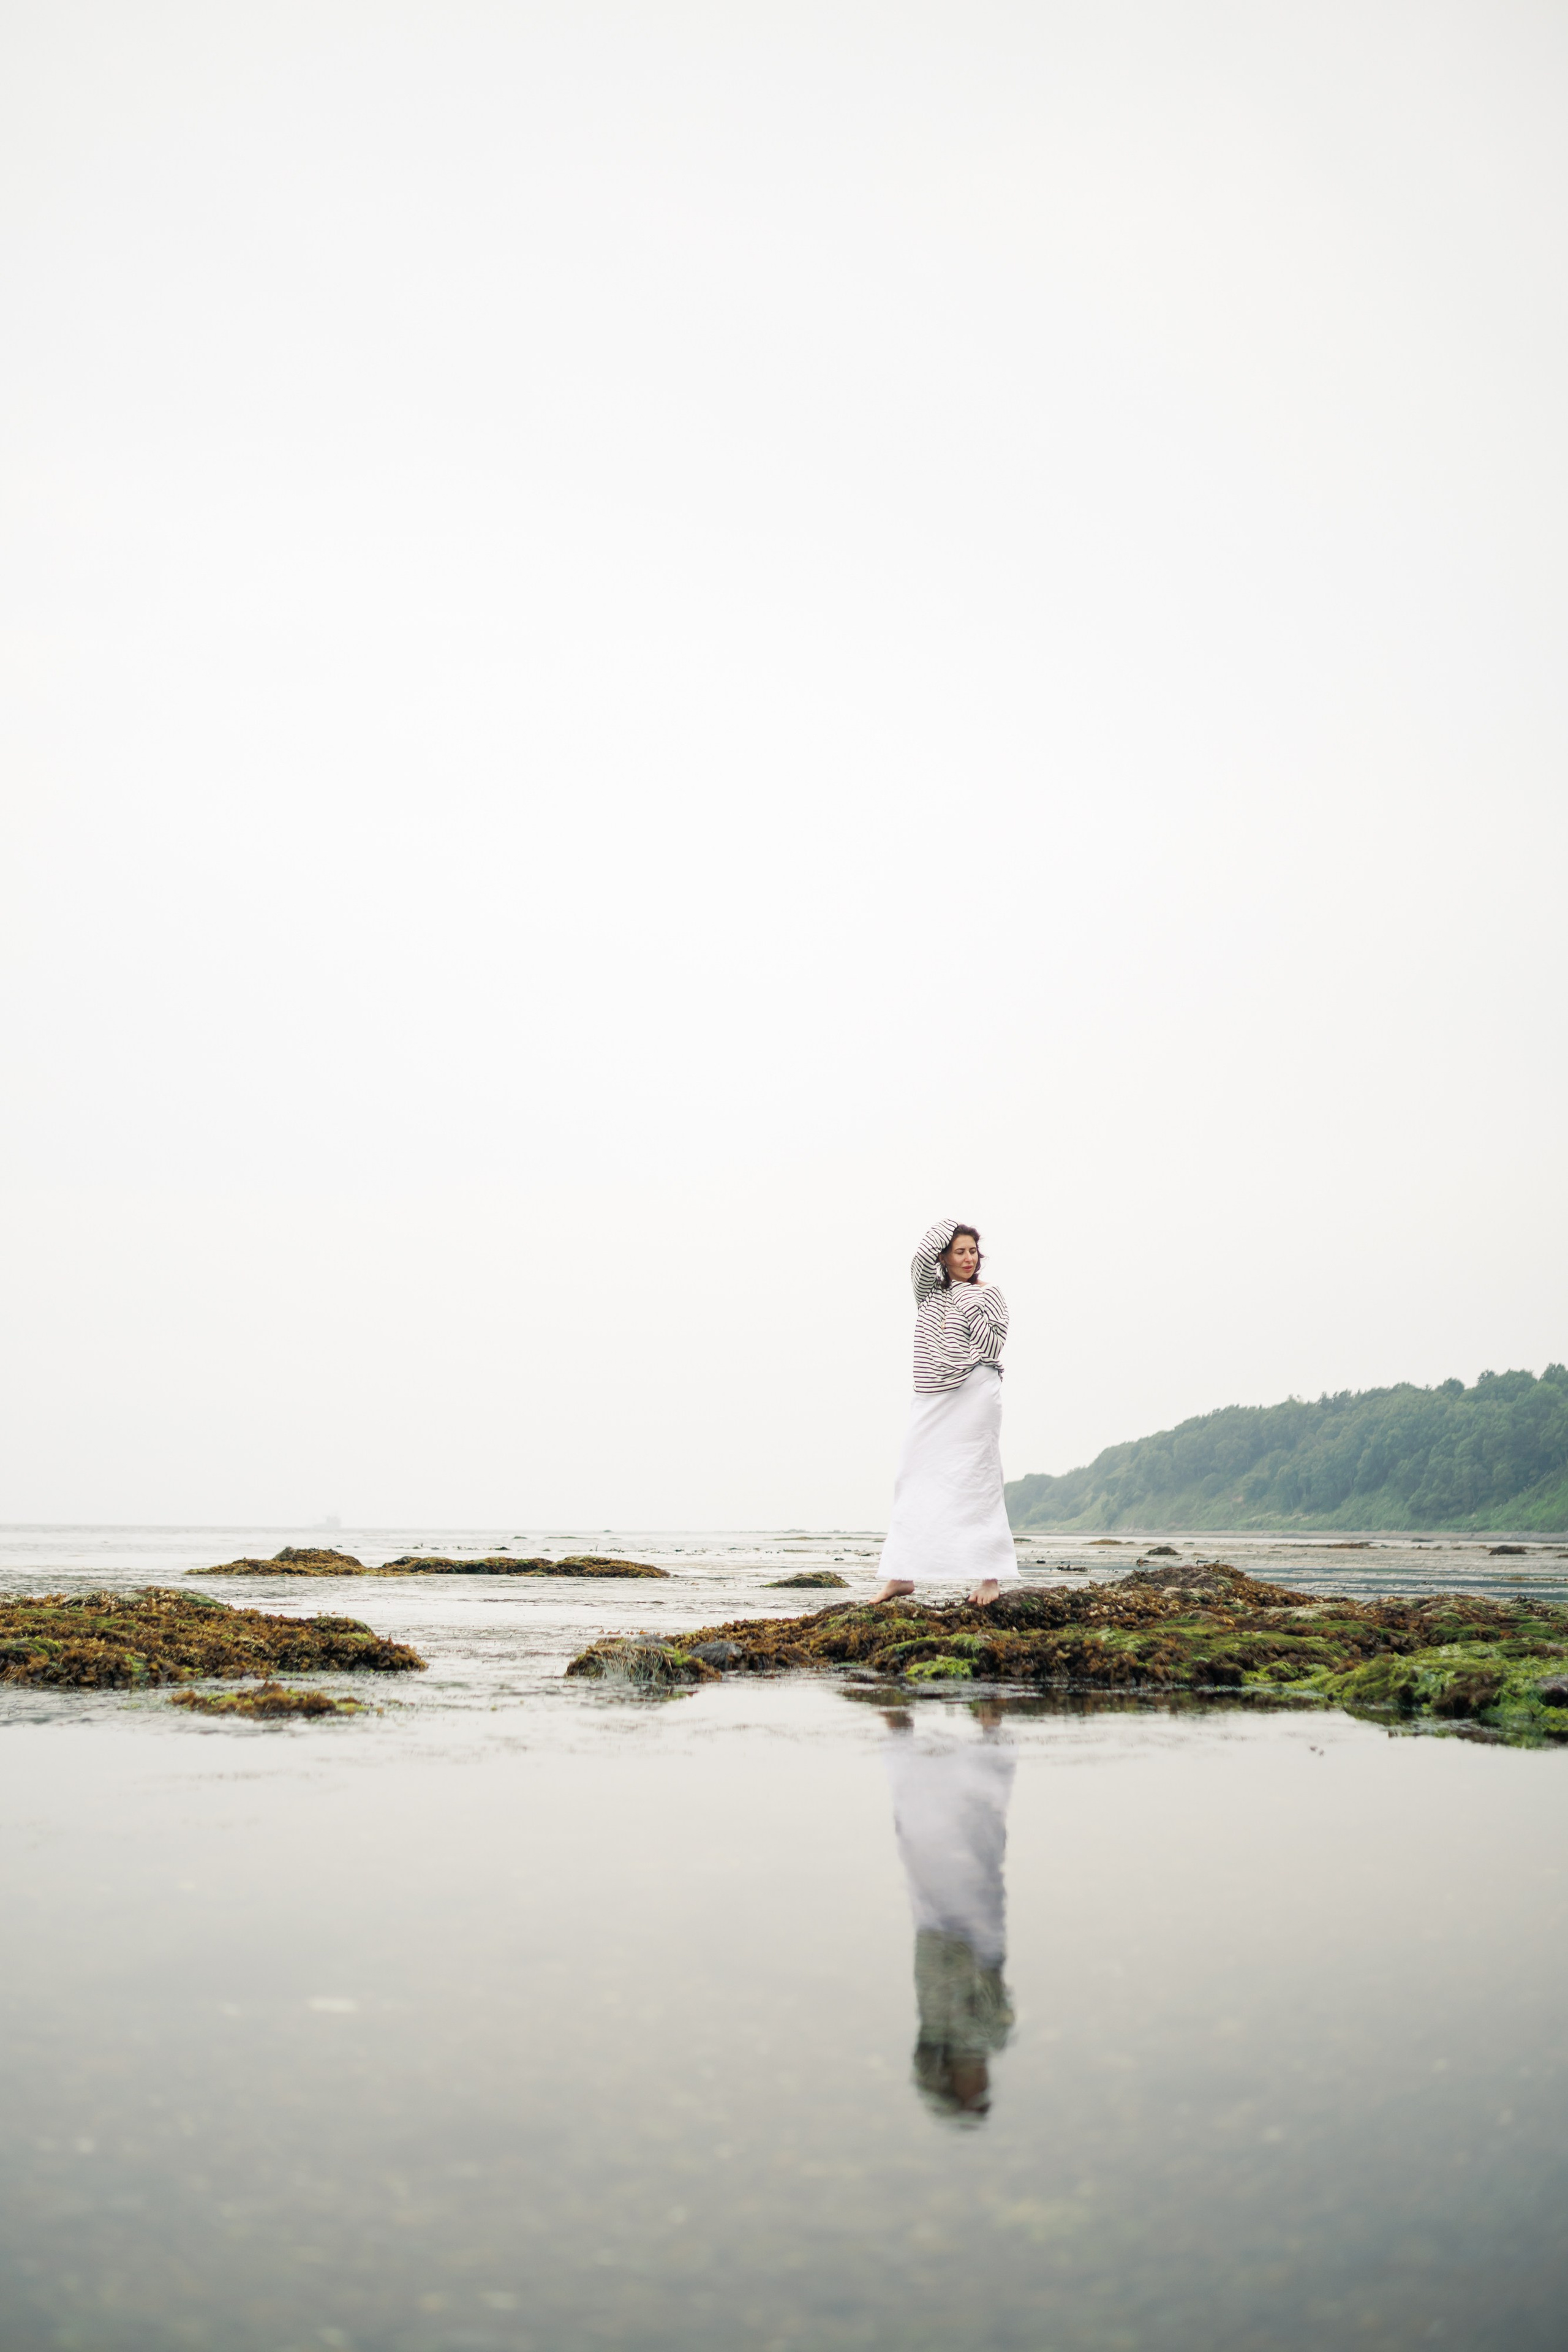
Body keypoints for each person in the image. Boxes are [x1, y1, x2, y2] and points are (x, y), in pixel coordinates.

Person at [872, 1219, 1018, 1606]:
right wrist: (953, 1224)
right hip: (932, 1396)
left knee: (979, 1476)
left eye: (973, 1251)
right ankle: (901, 1575)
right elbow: (920, 1257)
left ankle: (991, 1577)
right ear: (945, 1258)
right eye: (960, 1251)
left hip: (976, 1393)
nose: (968, 1258)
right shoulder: (928, 1293)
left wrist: (967, 1299)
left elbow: (992, 1345)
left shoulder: (989, 1294)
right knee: (911, 1474)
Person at [883, 1707, 1016, 2123]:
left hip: (939, 1940)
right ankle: (988, 1725)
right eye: (982, 2088)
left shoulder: (934, 2043)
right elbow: (995, 1988)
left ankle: (902, 1727)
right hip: (974, 1942)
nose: (982, 2082)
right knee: (970, 1842)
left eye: (975, 2090)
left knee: (937, 1841)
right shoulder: (990, 2037)